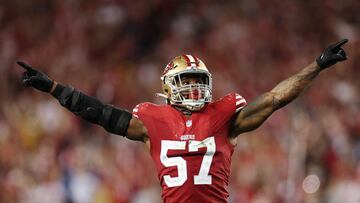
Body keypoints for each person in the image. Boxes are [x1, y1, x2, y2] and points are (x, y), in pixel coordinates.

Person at [18, 39, 348, 203]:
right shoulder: (152, 120)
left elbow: (276, 98)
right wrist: (55, 88)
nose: (194, 87)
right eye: (186, 80)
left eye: (198, 80)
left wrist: (316, 65)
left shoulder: (224, 116)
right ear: (169, 86)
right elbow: (102, 114)